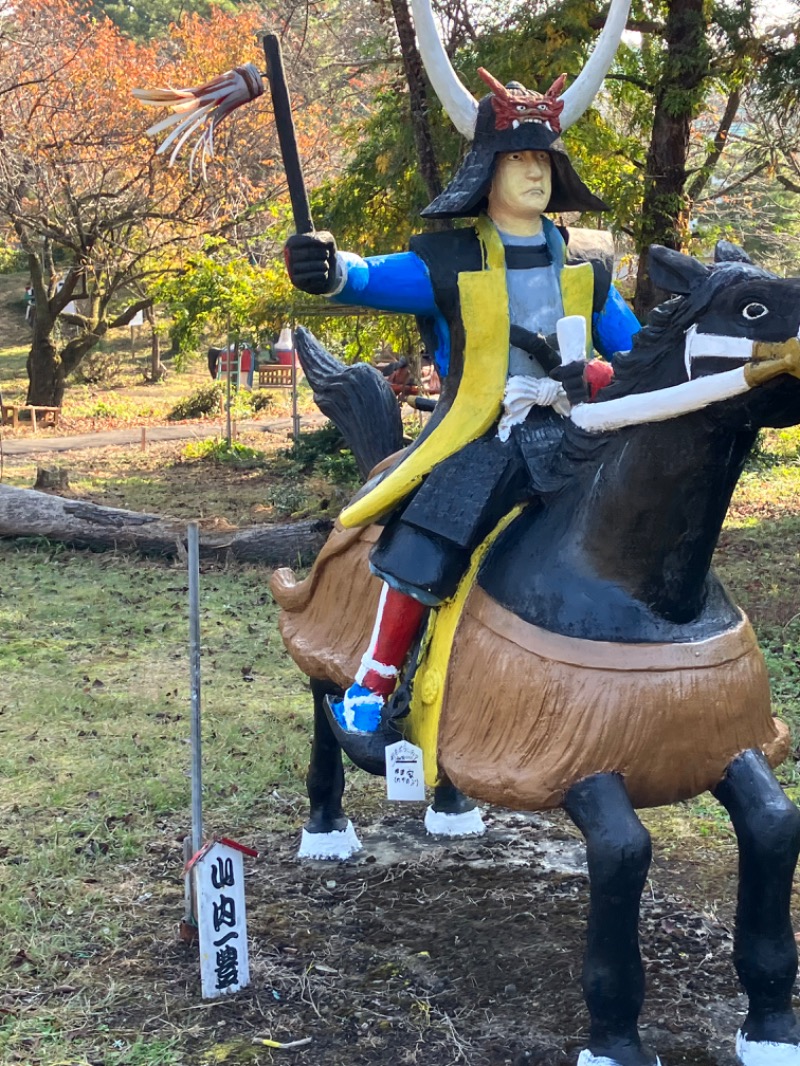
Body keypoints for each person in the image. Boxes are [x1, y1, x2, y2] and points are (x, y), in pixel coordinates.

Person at [284, 68, 641, 749]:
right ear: (489, 170)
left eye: (544, 160)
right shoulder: (447, 261)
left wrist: (596, 372)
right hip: (485, 432)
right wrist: (326, 266)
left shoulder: (587, 264)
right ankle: (373, 686)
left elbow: (632, 354)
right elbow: (365, 276)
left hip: (577, 431)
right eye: (520, 160)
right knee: (433, 530)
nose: (535, 174)